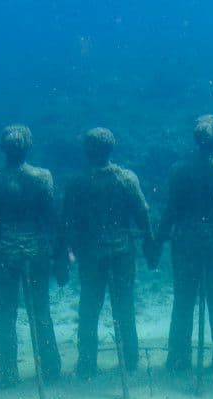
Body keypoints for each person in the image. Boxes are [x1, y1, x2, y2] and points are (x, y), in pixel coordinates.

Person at [0, 125, 63, 389]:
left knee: (5, 316)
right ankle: (51, 368)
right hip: (36, 251)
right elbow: (53, 220)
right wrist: (62, 255)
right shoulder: (43, 177)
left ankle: (7, 374)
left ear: (3, 149)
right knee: (40, 311)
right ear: (29, 147)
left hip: (3, 254)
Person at [155, 114, 213, 375]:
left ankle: (178, 359)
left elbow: (170, 213)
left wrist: (158, 242)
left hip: (185, 245)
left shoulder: (178, 170)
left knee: (183, 302)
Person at [61, 127, 152, 378]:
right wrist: (149, 242)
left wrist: (66, 252)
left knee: (89, 308)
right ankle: (130, 360)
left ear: (87, 151)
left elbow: (67, 222)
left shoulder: (78, 183)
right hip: (122, 251)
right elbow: (142, 213)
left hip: (92, 255)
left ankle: (87, 364)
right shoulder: (126, 178)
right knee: (124, 306)